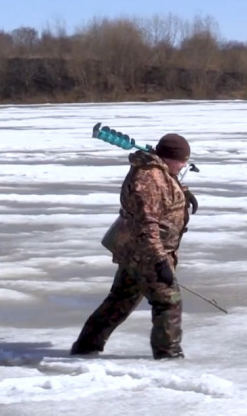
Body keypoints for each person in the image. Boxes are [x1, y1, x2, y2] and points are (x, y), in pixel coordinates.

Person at [70, 133, 198, 360]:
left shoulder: (160, 172)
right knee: (168, 300)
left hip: (139, 251)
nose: (183, 166)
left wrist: (184, 193)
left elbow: (165, 189)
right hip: (145, 252)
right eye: (181, 161)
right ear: (169, 158)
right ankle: (168, 355)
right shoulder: (148, 179)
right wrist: (159, 261)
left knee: (121, 299)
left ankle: (86, 346)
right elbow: (147, 224)